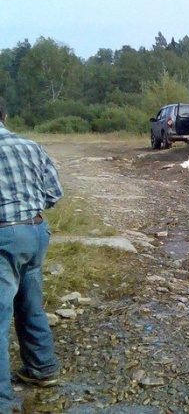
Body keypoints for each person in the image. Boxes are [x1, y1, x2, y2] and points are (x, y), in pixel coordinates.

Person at [0, 99, 63, 413]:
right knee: (29, 302)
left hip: (3, 237)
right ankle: (42, 368)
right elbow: (54, 194)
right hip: (36, 232)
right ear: (5, 115)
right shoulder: (31, 146)